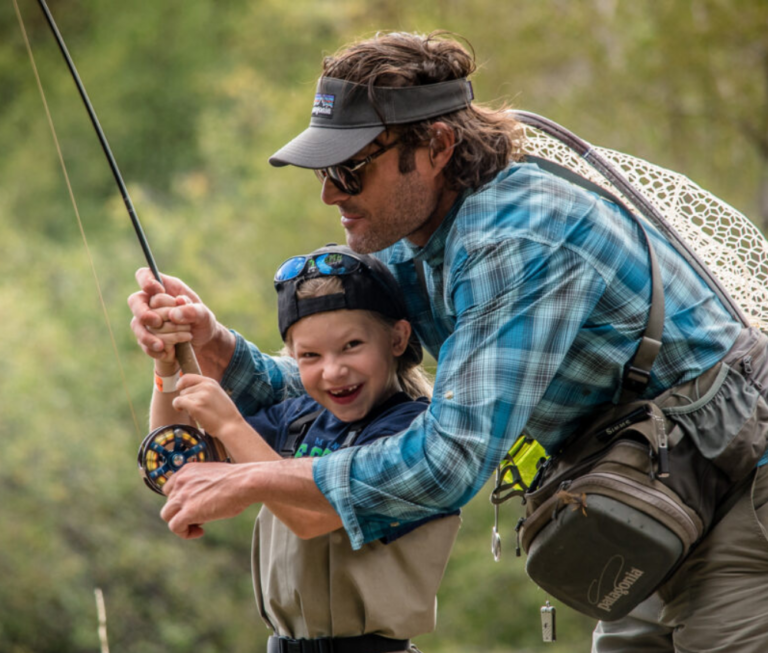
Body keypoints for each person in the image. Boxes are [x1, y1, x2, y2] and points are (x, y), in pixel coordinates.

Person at [129, 31, 768, 652]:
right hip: (657, 489)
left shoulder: (514, 242)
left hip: (739, 485)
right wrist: (211, 343)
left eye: (350, 169)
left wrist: (256, 478)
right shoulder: (418, 235)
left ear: (435, 146)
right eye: (323, 170)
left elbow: (448, 463)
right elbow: (346, 378)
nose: (329, 194)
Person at [144, 244, 459, 653]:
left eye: (352, 346)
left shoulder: (412, 432)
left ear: (397, 338)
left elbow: (312, 516)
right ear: (293, 356)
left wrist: (229, 423)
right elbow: (175, 459)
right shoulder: (297, 418)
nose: (333, 370)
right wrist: (167, 364)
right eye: (310, 355)